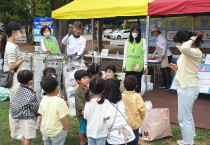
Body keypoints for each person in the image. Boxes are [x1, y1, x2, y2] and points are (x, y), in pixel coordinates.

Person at [169, 30, 203, 145]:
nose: (177, 45)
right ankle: (189, 138)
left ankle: (188, 142)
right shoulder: (188, 52)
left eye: (178, 42)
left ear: (185, 42)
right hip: (185, 86)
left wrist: (190, 40)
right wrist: (177, 68)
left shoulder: (195, 52)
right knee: (186, 115)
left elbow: (184, 48)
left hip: (188, 87)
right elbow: (187, 67)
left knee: (183, 117)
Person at [0, 21, 25, 139]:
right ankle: (15, 133)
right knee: (15, 105)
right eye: (20, 31)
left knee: (18, 104)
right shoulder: (10, 47)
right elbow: (11, 66)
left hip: (17, 78)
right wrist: (22, 59)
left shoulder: (11, 45)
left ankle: (18, 130)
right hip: (15, 79)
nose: (21, 33)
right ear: (14, 32)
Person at [103, 79, 136, 145]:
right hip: (130, 137)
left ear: (104, 90)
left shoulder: (103, 105)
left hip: (115, 140)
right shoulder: (120, 102)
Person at [10, 70, 39, 145]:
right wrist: (39, 112)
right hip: (28, 118)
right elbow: (35, 106)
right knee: (28, 137)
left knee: (23, 134)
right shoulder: (30, 93)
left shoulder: (19, 89)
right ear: (30, 81)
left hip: (21, 116)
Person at [39, 75, 69, 145]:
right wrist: (66, 130)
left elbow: (42, 115)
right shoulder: (60, 101)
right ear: (58, 88)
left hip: (45, 130)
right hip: (57, 131)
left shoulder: (43, 99)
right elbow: (63, 118)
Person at [84, 77, 110, 145]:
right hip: (101, 133)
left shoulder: (88, 102)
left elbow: (86, 117)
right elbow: (107, 117)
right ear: (103, 89)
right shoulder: (106, 102)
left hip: (90, 132)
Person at [122, 76, 146, 145]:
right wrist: (142, 117)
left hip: (124, 124)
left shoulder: (121, 96)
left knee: (124, 141)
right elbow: (142, 109)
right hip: (135, 124)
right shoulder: (137, 96)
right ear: (136, 86)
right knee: (135, 141)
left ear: (124, 85)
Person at [123, 26, 147, 93]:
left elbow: (145, 54)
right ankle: (127, 94)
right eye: (133, 32)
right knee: (128, 80)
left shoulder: (143, 41)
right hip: (129, 64)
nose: (134, 33)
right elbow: (125, 53)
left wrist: (145, 65)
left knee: (137, 81)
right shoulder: (127, 41)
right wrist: (124, 64)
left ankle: (137, 94)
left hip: (138, 64)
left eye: (136, 32)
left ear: (139, 33)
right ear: (131, 32)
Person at [74, 70, 90, 145]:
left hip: (89, 114)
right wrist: (84, 112)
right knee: (83, 129)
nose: (87, 79)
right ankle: (82, 142)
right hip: (82, 114)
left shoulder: (88, 88)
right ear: (78, 80)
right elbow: (80, 104)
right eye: (84, 78)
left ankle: (86, 140)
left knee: (87, 128)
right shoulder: (78, 91)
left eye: (88, 77)